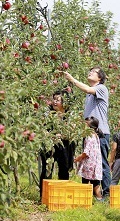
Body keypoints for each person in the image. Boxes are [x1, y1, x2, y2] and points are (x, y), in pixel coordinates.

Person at [62, 67, 112, 198]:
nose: (90, 72)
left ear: (100, 77)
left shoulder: (101, 88)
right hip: (89, 134)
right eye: (89, 71)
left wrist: (72, 79)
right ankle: (94, 194)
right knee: (91, 162)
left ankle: (107, 194)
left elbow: (86, 88)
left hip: (100, 133)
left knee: (102, 164)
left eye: (93, 72)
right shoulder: (89, 95)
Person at [38, 90, 76, 199]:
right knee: (47, 169)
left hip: (65, 146)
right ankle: (44, 196)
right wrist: (49, 135)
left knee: (64, 169)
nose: (55, 102)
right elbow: (42, 127)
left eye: (58, 100)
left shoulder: (70, 115)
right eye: (54, 99)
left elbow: (72, 131)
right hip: (49, 144)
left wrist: (62, 135)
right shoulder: (48, 113)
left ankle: (63, 195)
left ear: (65, 102)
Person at [75, 116, 103, 200]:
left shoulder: (89, 136)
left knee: (85, 181)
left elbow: (86, 152)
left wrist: (78, 158)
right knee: (96, 182)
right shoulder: (96, 136)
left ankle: (85, 199)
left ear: (88, 126)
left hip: (89, 163)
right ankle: (99, 199)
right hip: (95, 163)